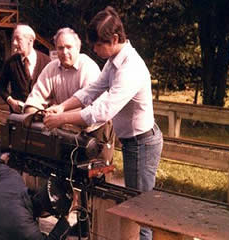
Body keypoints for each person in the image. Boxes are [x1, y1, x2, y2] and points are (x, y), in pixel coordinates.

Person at [43, 6, 163, 240]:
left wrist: (60, 119)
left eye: (98, 44)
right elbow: (92, 90)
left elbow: (101, 110)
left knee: (141, 208)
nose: (94, 50)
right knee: (135, 202)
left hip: (141, 144)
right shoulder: (115, 60)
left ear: (115, 38)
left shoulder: (131, 68)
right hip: (132, 142)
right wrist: (63, 106)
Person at [24, 27, 115, 167]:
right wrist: (36, 115)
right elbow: (34, 98)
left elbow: (91, 111)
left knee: (95, 176)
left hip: (95, 129)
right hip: (66, 129)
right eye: (60, 48)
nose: (64, 52)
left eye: (68, 47)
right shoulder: (51, 68)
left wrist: (59, 116)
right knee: (66, 173)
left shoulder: (88, 68)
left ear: (78, 48)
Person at [0, 24, 51, 113]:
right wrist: (11, 102)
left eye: (18, 39)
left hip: (41, 116)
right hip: (18, 117)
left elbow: (53, 89)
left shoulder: (46, 61)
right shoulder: (11, 63)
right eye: (13, 39)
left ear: (30, 41)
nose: (14, 43)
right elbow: (0, 86)